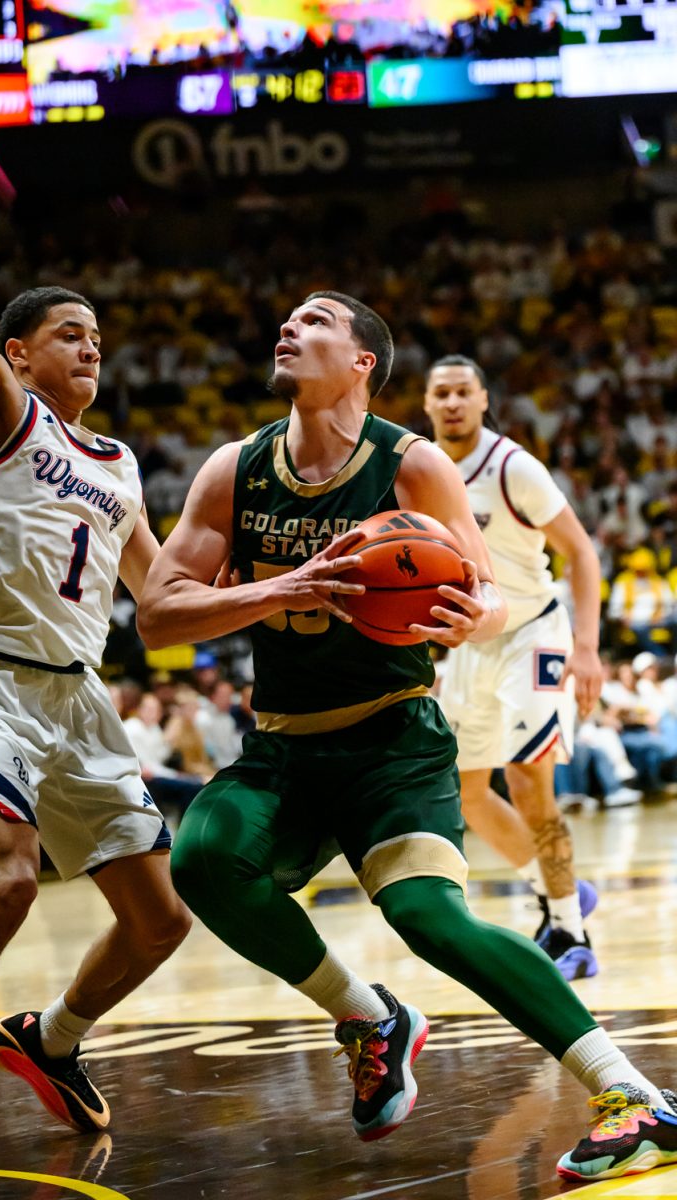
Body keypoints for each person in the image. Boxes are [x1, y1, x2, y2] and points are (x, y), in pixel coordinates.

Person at [139, 290, 677, 1181]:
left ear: (363, 363)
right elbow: (158, 616)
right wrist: (283, 589)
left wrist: (474, 615)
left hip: (393, 741)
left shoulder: (412, 463)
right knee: (200, 863)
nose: (289, 327)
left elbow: (487, 590)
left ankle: (632, 1094)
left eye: (316, 321)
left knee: (428, 916)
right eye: (287, 319)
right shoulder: (232, 470)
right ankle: (367, 1016)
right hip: (283, 747)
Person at [0, 34, 191, 1200]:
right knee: (4, 885)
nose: (91, 349)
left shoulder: (116, 463)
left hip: (80, 699)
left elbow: (165, 603)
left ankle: (48, 1041)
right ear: (17, 353)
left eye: (99, 340)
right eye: (71, 334)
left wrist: (299, 583)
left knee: (159, 924)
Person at [424, 355, 604, 980]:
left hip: (534, 634)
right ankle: (559, 889)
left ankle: (570, 932)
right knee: (467, 792)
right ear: (427, 405)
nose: (451, 403)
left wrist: (586, 646)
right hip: (472, 643)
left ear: (481, 400)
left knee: (529, 781)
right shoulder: (421, 470)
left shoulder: (512, 467)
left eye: (461, 392)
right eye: (440, 393)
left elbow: (581, 552)